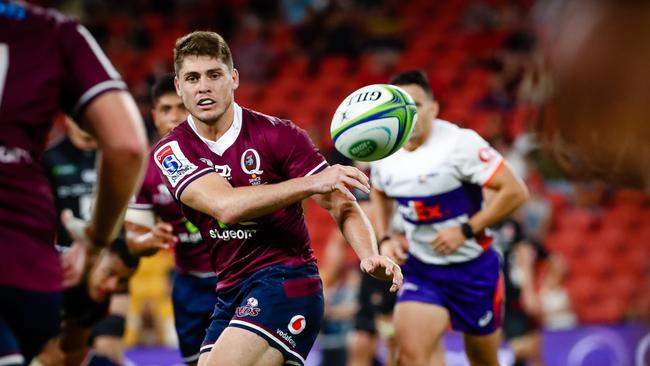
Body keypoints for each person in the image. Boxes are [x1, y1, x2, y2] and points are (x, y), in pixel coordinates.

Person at [153, 31, 402, 366]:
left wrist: (369, 254)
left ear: (234, 78)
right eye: (192, 78)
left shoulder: (279, 134)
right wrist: (309, 183)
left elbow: (340, 203)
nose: (203, 87)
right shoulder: (172, 150)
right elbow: (226, 206)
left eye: (214, 75)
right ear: (179, 86)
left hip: (288, 282)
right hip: (230, 292)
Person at [0, 2, 147, 364]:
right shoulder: (54, 32)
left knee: (99, 347)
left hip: (82, 270)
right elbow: (128, 145)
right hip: (34, 272)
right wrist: (96, 241)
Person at [372, 70, 528, 366]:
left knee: (483, 359)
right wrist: (385, 238)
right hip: (423, 270)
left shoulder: (460, 144)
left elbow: (515, 191)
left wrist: (466, 230)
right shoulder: (384, 151)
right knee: (407, 358)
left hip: (474, 270)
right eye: (398, 105)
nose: (408, 113)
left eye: (415, 104)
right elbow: (379, 192)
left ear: (433, 108)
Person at [124, 74, 218, 365]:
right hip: (188, 285)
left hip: (234, 279)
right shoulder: (147, 170)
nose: (174, 117)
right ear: (154, 116)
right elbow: (132, 239)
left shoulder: (224, 155)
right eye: (166, 109)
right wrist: (147, 241)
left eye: (181, 107)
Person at [43, 118, 133, 365]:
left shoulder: (118, 155)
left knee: (108, 350)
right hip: (68, 273)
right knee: (62, 355)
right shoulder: (50, 158)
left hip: (109, 271)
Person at [36, 236, 140, 366]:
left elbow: (72, 351)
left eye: (122, 281)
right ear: (93, 258)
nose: (112, 286)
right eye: (109, 273)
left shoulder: (99, 299)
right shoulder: (54, 268)